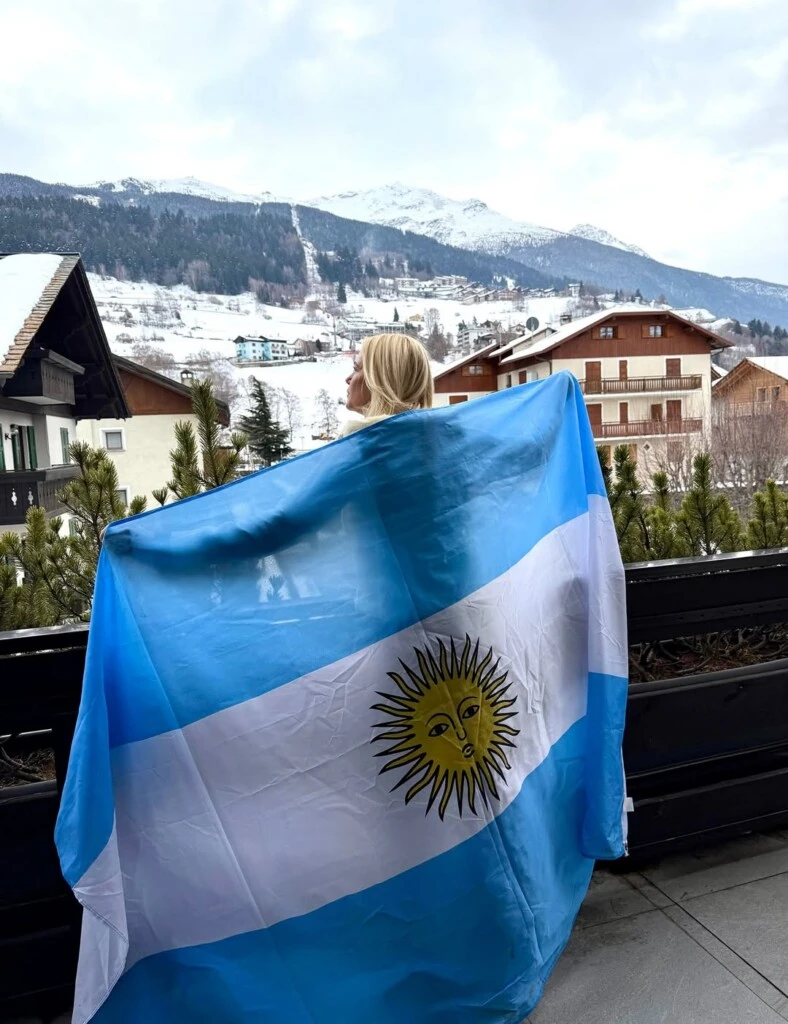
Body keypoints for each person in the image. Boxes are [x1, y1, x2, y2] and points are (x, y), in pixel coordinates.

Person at [342, 332, 433, 435]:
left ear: (380, 380)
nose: (348, 379)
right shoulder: (432, 438)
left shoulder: (360, 446)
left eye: (356, 369)